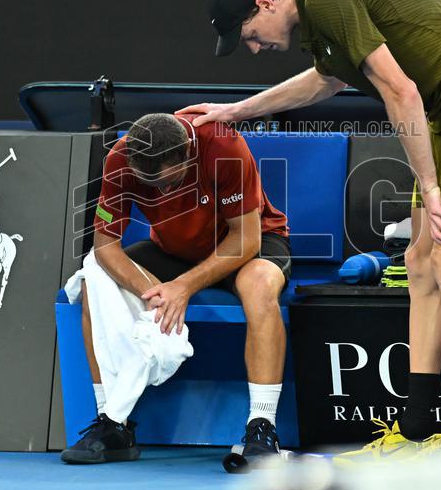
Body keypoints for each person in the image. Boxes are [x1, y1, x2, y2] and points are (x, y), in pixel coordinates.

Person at [181, 0, 441, 458]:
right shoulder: (320, 17)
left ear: (265, 3)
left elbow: (400, 90)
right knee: (418, 261)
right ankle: (415, 430)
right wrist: (236, 111)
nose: (254, 47)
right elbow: (326, 82)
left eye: (249, 34)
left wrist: (430, 186)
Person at [61, 112, 292, 464]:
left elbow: (246, 239)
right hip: (173, 252)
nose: (162, 192)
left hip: (245, 245)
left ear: (188, 152)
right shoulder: (119, 158)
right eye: (152, 187)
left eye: (170, 183)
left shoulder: (224, 145)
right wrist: (150, 291)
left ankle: (262, 428)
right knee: (93, 277)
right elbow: (105, 243)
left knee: (260, 284)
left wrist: (182, 286)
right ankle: (113, 423)